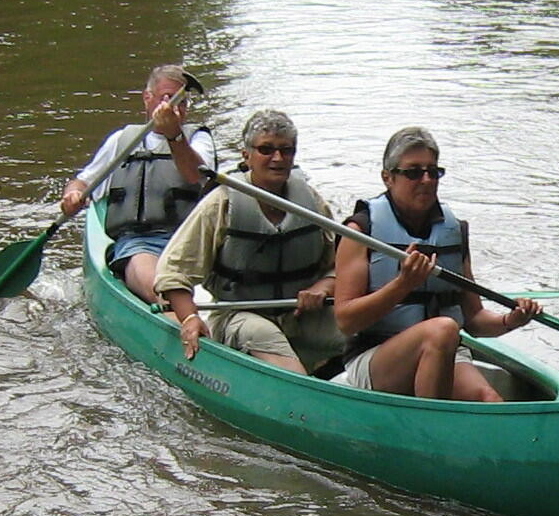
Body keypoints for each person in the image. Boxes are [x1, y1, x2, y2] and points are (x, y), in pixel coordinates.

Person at [330, 127, 542, 402]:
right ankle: (431, 423)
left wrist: (510, 320)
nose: (427, 180)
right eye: (414, 172)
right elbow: (346, 321)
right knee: (442, 330)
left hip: (445, 349)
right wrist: (403, 285)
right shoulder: (360, 232)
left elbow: (474, 319)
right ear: (388, 177)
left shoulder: (454, 232)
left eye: (433, 171)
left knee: (489, 399)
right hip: (376, 356)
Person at [154, 109, 347, 375]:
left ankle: (346, 381)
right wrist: (189, 318)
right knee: (261, 333)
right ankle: (300, 386)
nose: (277, 158)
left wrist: (324, 286)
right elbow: (173, 272)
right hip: (238, 315)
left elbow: (342, 264)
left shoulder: (312, 202)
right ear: (247, 155)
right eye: (266, 150)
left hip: (300, 315)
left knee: (360, 327)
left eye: (286, 150)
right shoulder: (221, 203)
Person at [59, 65, 216, 303]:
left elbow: (195, 175)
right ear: (147, 98)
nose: (174, 107)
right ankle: (180, 319)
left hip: (190, 242)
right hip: (139, 244)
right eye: (166, 97)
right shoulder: (122, 140)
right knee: (164, 291)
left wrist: (174, 136)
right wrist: (72, 196)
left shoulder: (198, 139)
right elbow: (82, 182)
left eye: (182, 102)